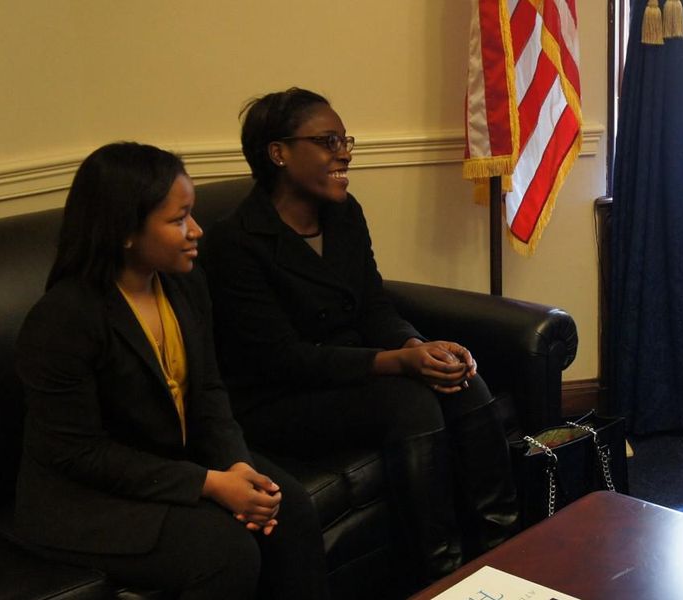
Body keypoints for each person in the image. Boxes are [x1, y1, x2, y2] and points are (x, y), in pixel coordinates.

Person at [202, 88, 518, 584]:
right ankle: (442, 579)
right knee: (408, 404)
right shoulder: (234, 242)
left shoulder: (345, 214)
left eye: (344, 139)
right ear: (279, 153)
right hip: (277, 400)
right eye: (328, 141)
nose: (344, 152)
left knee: (460, 380)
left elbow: (374, 306)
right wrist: (395, 362)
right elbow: (282, 360)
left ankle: (504, 560)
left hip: (353, 373)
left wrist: (415, 347)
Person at [14, 142, 329, 600]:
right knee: (225, 550)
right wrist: (210, 483)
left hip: (167, 463)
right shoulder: (62, 320)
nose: (196, 230)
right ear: (124, 230)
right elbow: (79, 453)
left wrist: (236, 464)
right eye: (178, 219)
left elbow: (208, 392)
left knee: (291, 509)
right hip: (85, 500)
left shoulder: (182, 283)